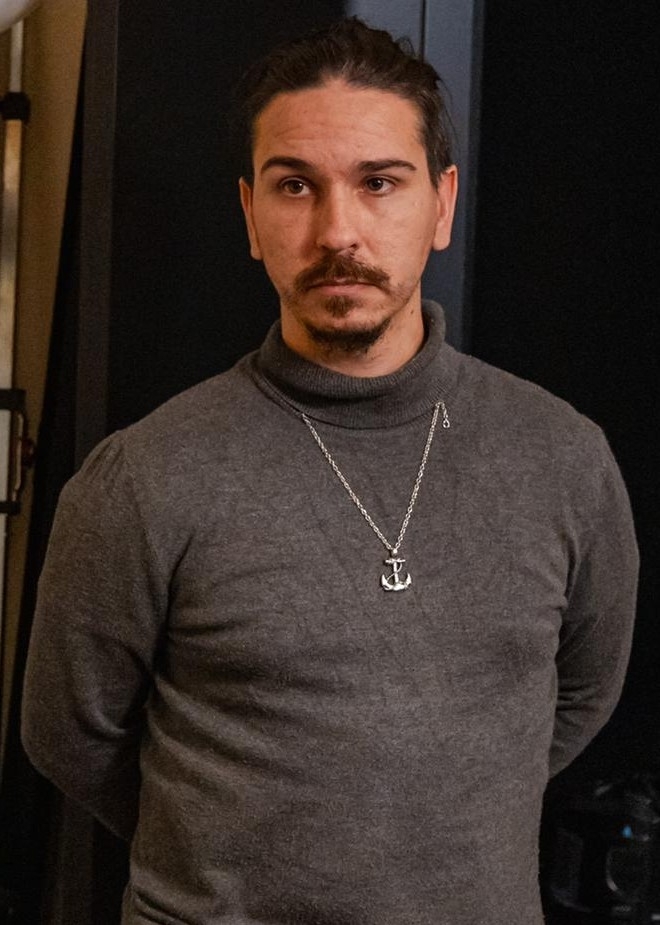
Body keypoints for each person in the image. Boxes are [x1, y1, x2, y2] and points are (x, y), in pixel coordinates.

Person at [22, 18, 638, 925]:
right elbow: (68, 735)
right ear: (250, 215)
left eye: (379, 182)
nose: (337, 230)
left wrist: (427, 814)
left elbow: (580, 695)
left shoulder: (563, 457)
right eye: (295, 186)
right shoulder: (144, 476)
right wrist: (220, 854)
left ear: (443, 205)